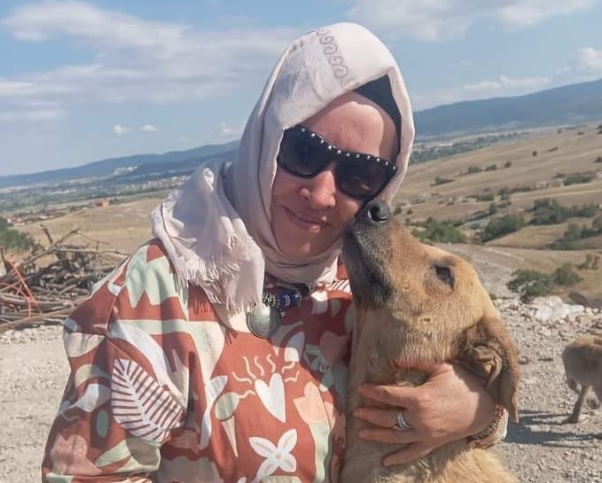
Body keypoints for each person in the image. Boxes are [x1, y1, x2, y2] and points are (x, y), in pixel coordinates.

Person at [42, 22, 506, 482]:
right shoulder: (155, 295)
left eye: (359, 175)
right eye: (303, 152)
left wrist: (477, 410)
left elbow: (447, 381)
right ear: (268, 137)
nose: (321, 194)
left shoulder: (362, 278)